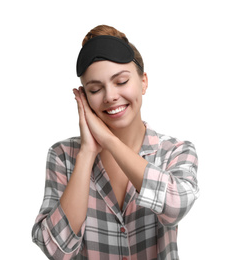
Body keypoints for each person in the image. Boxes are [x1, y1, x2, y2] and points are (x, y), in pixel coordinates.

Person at [32, 25, 199, 260]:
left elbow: (175, 207)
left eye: (121, 82)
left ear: (143, 82)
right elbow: (56, 250)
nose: (110, 96)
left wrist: (108, 140)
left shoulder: (175, 151)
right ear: (84, 97)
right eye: (95, 89)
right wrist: (87, 153)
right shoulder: (63, 155)